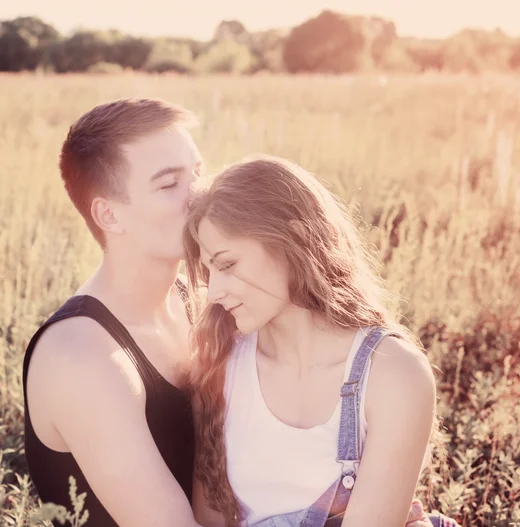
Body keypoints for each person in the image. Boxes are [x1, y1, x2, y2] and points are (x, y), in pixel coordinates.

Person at [22, 98, 448, 527]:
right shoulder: (79, 355)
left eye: (198, 173)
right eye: (169, 184)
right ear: (109, 214)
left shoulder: (211, 306)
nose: (199, 196)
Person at [182, 155, 459, 526]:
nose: (213, 291)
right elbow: (211, 519)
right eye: (208, 270)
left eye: (228, 265)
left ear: (294, 240)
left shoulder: (393, 374)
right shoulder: (217, 366)